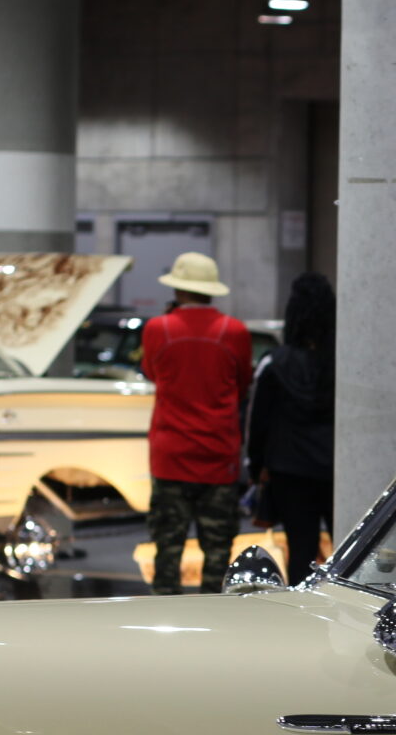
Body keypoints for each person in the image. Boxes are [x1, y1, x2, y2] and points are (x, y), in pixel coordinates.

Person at [139, 252, 253, 594]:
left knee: (167, 551)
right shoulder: (234, 331)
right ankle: (213, 619)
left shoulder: (158, 329)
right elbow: (242, 384)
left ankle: (164, 618)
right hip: (218, 457)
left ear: (178, 289)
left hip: (170, 455)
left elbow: (151, 373)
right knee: (218, 554)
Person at [246, 272, 335, 584]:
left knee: (301, 549)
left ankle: (302, 606)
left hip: (289, 469)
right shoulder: (344, 362)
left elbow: (258, 421)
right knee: (348, 550)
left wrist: (255, 467)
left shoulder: (275, 363)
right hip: (336, 469)